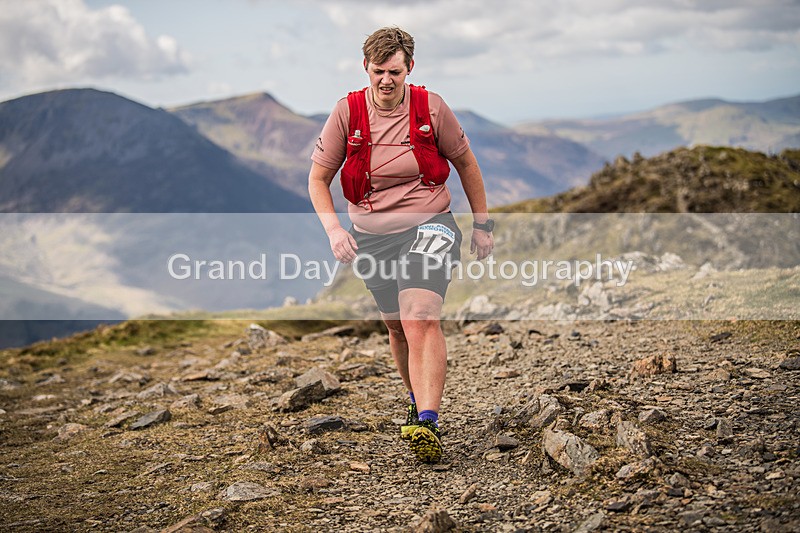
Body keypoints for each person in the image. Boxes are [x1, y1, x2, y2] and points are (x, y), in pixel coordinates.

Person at [308, 27, 493, 463]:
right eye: (378, 71)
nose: (386, 80)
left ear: (410, 68)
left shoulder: (432, 108)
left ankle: (427, 420)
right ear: (365, 68)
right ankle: (414, 399)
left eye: (394, 71)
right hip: (372, 237)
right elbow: (318, 179)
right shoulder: (347, 112)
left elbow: (466, 164)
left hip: (430, 225)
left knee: (420, 316)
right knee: (395, 326)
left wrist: (482, 224)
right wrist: (335, 230)